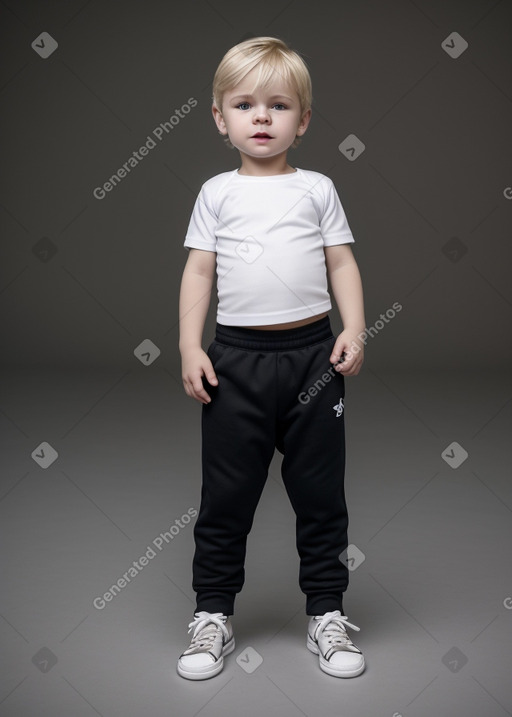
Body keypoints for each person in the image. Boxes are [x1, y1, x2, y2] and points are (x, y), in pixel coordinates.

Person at [177, 36, 366, 681]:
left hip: (314, 361)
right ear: (219, 117)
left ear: (303, 120)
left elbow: (340, 260)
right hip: (237, 364)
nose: (262, 117)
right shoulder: (216, 192)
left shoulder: (317, 188)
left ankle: (327, 614)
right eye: (245, 104)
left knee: (320, 493)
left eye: (279, 105)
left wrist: (356, 328)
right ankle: (211, 615)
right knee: (227, 496)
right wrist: (188, 345)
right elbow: (200, 271)